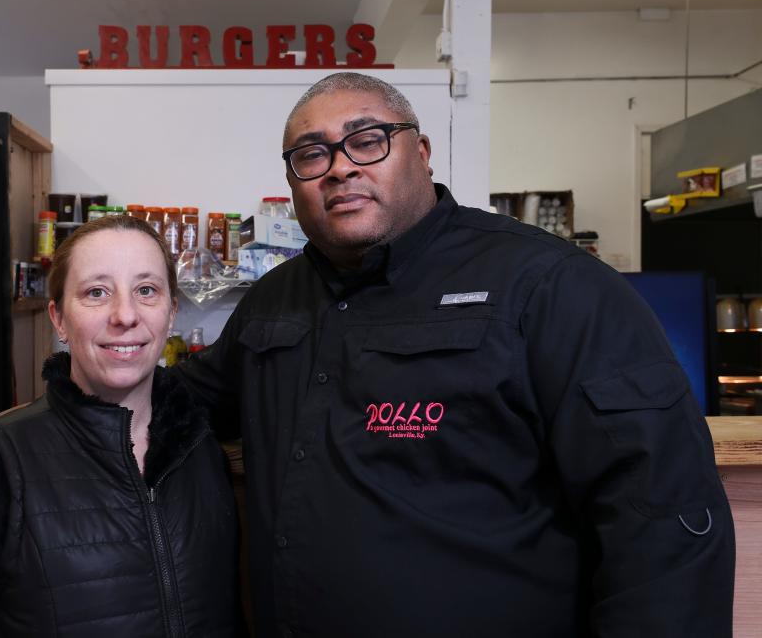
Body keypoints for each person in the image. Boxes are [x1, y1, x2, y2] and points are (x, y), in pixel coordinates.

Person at [176, 72, 735, 637]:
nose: (341, 167)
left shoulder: (549, 285)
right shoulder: (275, 299)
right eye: (311, 154)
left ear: (421, 153)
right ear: (294, 181)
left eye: (367, 140)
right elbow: (185, 401)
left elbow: (663, 515)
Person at [0, 216, 242, 637]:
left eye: (146, 291)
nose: (125, 315)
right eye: (97, 292)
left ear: (171, 312)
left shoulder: (199, 448)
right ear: (59, 318)